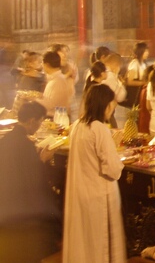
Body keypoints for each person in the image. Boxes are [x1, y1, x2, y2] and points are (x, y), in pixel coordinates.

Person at [62, 83, 126, 262]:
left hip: (81, 193)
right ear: (104, 105)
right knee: (100, 245)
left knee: (83, 242)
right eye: (111, 106)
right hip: (98, 195)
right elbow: (112, 170)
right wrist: (118, 155)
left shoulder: (77, 125)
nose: (111, 111)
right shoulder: (99, 129)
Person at [0, 102, 60, 263]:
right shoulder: (25, 144)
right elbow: (33, 177)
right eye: (40, 121)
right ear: (32, 120)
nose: (40, 126)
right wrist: (42, 160)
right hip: (23, 209)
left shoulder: (6, 139)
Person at [38, 50, 74, 120]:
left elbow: (51, 104)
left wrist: (34, 100)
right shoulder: (56, 79)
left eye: (42, 63)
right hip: (56, 116)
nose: (41, 65)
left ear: (47, 64)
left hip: (54, 118)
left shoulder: (57, 81)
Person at [125, 41, 150, 107]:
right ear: (140, 52)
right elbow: (129, 82)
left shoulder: (143, 64)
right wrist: (143, 83)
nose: (147, 53)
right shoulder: (134, 64)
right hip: (134, 94)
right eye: (145, 51)